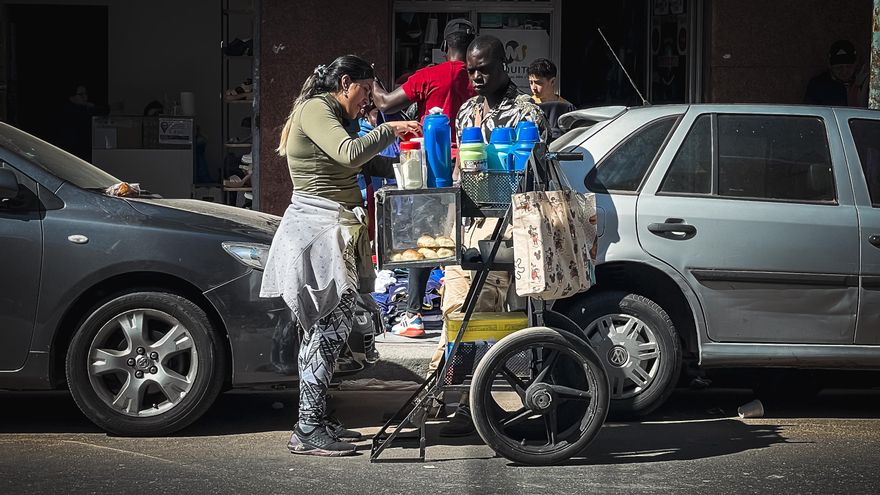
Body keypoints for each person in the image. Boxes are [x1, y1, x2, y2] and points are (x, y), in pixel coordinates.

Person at [260, 55, 421, 457]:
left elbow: (354, 164)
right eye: (365, 90)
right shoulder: (315, 109)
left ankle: (313, 418)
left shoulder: (332, 112)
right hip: (317, 231)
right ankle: (309, 427)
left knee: (325, 329)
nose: (368, 100)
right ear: (345, 83)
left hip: (332, 227)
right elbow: (350, 154)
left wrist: (409, 161)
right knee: (328, 329)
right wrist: (391, 130)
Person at [437, 35, 548, 437]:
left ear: (504, 65)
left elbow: (534, 178)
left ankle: (505, 404)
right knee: (459, 315)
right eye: (471, 70)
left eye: (485, 68)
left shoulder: (526, 114)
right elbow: (459, 174)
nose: (478, 76)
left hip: (509, 229)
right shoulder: (466, 110)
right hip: (468, 228)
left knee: (501, 321)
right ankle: (461, 400)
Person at [372, 19, 477, 337]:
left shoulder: (431, 75)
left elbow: (385, 102)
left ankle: (413, 315)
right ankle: (467, 305)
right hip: (471, 167)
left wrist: (373, 81)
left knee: (424, 237)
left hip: (433, 167)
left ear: (445, 46)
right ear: (472, 47)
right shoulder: (481, 77)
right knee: (467, 236)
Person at [804, 39, 868, 107]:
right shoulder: (818, 85)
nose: (844, 71)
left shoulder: (862, 83)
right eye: (839, 68)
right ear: (830, 66)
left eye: (849, 67)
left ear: (855, 65)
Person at [527, 58, 576, 142]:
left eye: (538, 83)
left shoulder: (567, 108)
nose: (533, 88)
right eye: (531, 82)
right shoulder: (527, 106)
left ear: (552, 82)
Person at [59, 85, 97, 161]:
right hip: (73, 153)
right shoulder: (69, 111)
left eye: (85, 94)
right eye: (81, 94)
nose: (84, 97)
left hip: (83, 152)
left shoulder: (85, 109)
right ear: (72, 97)